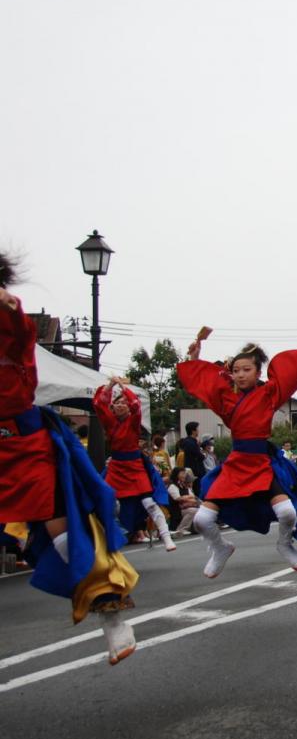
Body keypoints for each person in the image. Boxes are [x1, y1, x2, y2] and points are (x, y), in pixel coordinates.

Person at [0, 252, 138, 664]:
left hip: (23, 447)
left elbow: (17, 326)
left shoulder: (12, 326)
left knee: (64, 535)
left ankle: (113, 616)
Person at [177, 330, 297, 578]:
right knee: (202, 520)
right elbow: (204, 384)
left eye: (246, 370)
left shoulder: (269, 394)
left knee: (287, 512)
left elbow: (294, 374)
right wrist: (195, 357)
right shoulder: (226, 398)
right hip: (236, 463)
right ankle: (220, 548)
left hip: (262, 463)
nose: (241, 374)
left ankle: (284, 543)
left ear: (258, 373)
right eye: (236, 370)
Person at [93, 379, 175, 551]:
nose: (121, 405)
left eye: (124, 403)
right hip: (116, 466)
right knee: (106, 500)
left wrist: (124, 387)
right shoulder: (109, 422)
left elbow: (136, 405)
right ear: (113, 407)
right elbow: (100, 404)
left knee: (148, 502)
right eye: (118, 403)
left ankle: (166, 537)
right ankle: (112, 535)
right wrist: (110, 385)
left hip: (134, 465)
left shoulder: (133, 420)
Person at [167, 467, 201, 535]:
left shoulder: (184, 485)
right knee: (193, 510)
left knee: (201, 508)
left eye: (184, 473)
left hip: (185, 506)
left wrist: (189, 498)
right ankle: (181, 529)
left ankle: (195, 528)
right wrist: (189, 497)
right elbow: (178, 498)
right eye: (182, 473)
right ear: (176, 474)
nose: (184, 475)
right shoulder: (172, 486)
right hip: (177, 509)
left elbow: (192, 496)